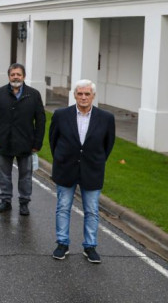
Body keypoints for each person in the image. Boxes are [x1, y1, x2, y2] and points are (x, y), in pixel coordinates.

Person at [49, 80, 115, 263]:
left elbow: (107, 145)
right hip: (66, 169)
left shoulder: (106, 118)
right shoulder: (61, 115)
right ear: (74, 95)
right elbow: (53, 141)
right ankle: (62, 244)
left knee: (92, 210)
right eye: (80, 94)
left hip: (92, 170)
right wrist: (62, 159)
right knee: (63, 207)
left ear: (93, 96)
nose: (84, 97)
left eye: (87, 94)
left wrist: (95, 160)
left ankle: (90, 246)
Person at [0, 63, 46, 216]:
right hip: (3, 142)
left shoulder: (33, 94)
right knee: (4, 174)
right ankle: (5, 201)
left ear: (24, 76)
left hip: (26, 143)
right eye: (13, 74)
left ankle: (24, 203)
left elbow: (40, 120)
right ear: (9, 76)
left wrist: (37, 143)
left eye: (18, 74)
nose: (15, 77)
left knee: (25, 175)